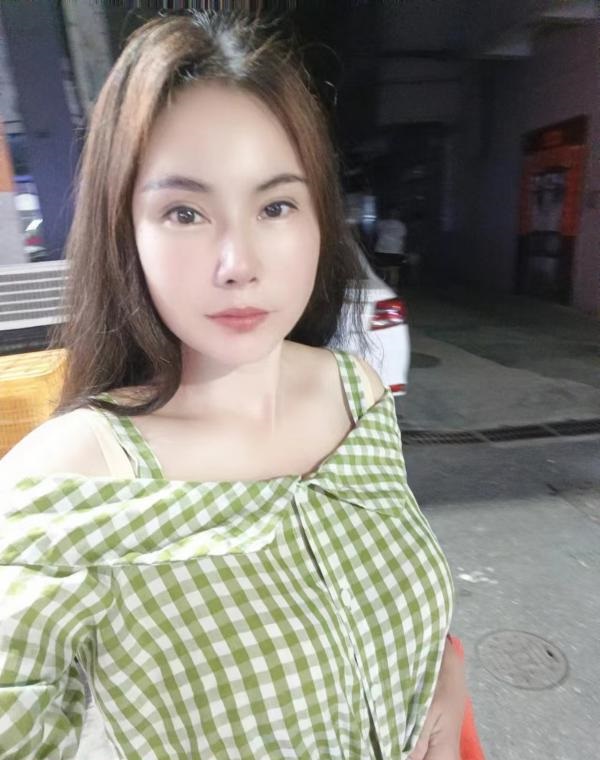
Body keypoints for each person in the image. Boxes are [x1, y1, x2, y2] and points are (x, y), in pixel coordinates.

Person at [0, 12, 466, 760]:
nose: (238, 263)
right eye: (184, 212)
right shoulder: (67, 484)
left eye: (275, 206)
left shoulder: (357, 395)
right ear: (126, 234)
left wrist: (444, 671)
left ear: (319, 220)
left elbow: (391, 592)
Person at [374, 205, 407, 289]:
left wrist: (403, 251)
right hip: (386, 250)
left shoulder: (400, 225)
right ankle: (387, 288)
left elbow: (403, 239)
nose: (393, 214)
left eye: (395, 213)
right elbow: (403, 239)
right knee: (387, 271)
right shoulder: (383, 223)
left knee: (392, 270)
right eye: (393, 212)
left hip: (390, 250)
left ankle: (392, 288)